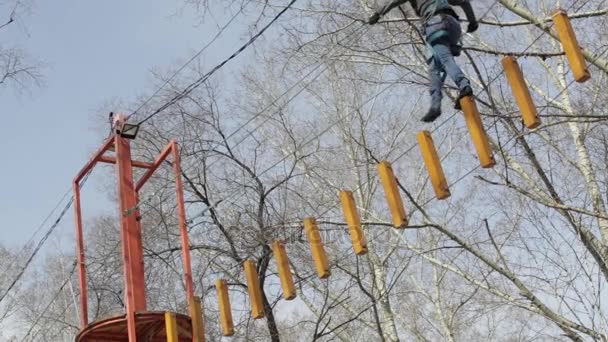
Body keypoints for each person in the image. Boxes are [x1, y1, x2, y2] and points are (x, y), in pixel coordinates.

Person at [368, 0, 479, 122]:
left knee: (445, 59)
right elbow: (464, 2)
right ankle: (435, 105)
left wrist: (378, 14)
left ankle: (464, 86)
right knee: (434, 67)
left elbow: (393, 2)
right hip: (453, 26)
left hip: (436, 24)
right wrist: (472, 21)